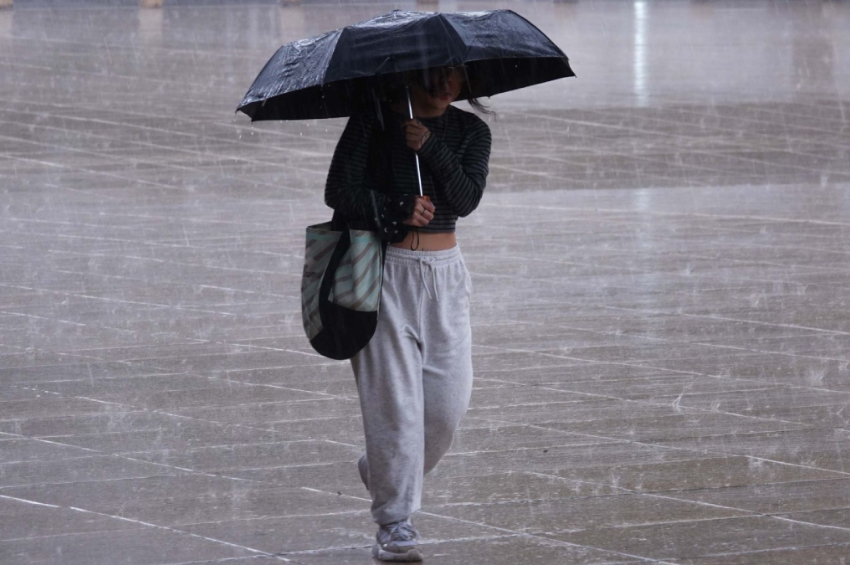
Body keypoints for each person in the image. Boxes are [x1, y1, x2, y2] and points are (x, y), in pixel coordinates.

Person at [324, 64, 492, 562]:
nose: (445, 86)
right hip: (382, 271)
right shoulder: (372, 123)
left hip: (445, 275)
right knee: (393, 406)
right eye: (435, 75)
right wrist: (395, 204)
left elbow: (466, 198)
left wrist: (430, 148)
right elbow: (338, 191)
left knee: (445, 408)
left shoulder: (470, 131)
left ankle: (383, 471)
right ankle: (395, 523)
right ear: (409, 75)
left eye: (455, 77)